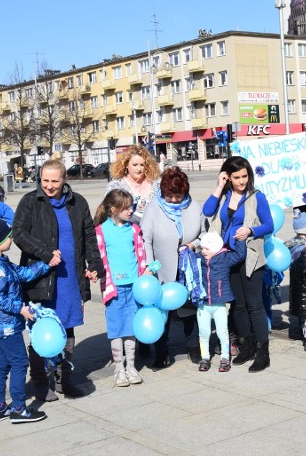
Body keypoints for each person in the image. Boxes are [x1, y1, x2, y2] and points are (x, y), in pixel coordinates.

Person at [13, 159, 104, 401]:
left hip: (69, 280)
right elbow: (19, 233)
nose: (49, 186)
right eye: (45, 180)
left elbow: (89, 237)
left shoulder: (78, 202)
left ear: (65, 179)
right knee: (42, 330)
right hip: (41, 281)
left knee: (67, 331)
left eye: (55, 181)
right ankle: (42, 383)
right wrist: (45, 254)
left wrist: (95, 266)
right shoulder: (31, 201)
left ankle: (64, 380)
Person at [0, 217, 51, 424]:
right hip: (5, 325)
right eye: (9, 236)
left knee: (2, 364)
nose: (11, 239)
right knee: (19, 362)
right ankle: (18, 408)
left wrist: (47, 264)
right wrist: (21, 309)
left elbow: (23, 274)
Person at [203, 156, 275, 373]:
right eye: (236, 177)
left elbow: (269, 224)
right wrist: (219, 186)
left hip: (251, 257)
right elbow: (207, 211)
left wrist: (251, 230)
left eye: (245, 176)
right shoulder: (224, 195)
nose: (242, 181)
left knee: (255, 304)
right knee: (238, 305)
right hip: (227, 256)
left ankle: (263, 353)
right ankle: (247, 346)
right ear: (228, 177)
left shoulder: (256, 197)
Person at [140, 166, 203, 368]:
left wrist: (193, 245)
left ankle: (194, 347)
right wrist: (150, 266)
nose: (175, 200)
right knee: (161, 312)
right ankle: (161, 351)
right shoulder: (153, 208)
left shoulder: (194, 206)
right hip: (161, 268)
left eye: (179, 196)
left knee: (189, 310)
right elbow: (145, 239)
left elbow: (204, 234)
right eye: (170, 196)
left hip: (188, 268)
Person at [94, 189, 147, 388]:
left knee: (131, 328)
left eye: (132, 207)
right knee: (116, 329)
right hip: (113, 287)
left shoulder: (134, 229)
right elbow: (97, 258)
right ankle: (119, 368)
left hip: (134, 286)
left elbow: (141, 254)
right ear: (114, 209)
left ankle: (131, 366)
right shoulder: (101, 231)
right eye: (127, 208)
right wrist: (92, 271)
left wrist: (147, 271)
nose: (131, 211)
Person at [195, 232, 245, 372]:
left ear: (215, 248)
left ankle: (225, 358)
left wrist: (240, 240)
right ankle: (204, 357)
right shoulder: (199, 258)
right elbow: (188, 257)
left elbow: (240, 255)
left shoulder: (224, 258)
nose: (203, 252)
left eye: (207, 249)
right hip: (203, 304)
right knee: (204, 333)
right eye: (202, 248)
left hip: (220, 303)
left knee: (222, 332)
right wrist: (185, 249)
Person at [104, 145, 162, 226]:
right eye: (135, 165)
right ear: (126, 165)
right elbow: (109, 212)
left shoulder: (157, 184)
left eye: (142, 165)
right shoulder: (115, 186)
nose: (139, 169)